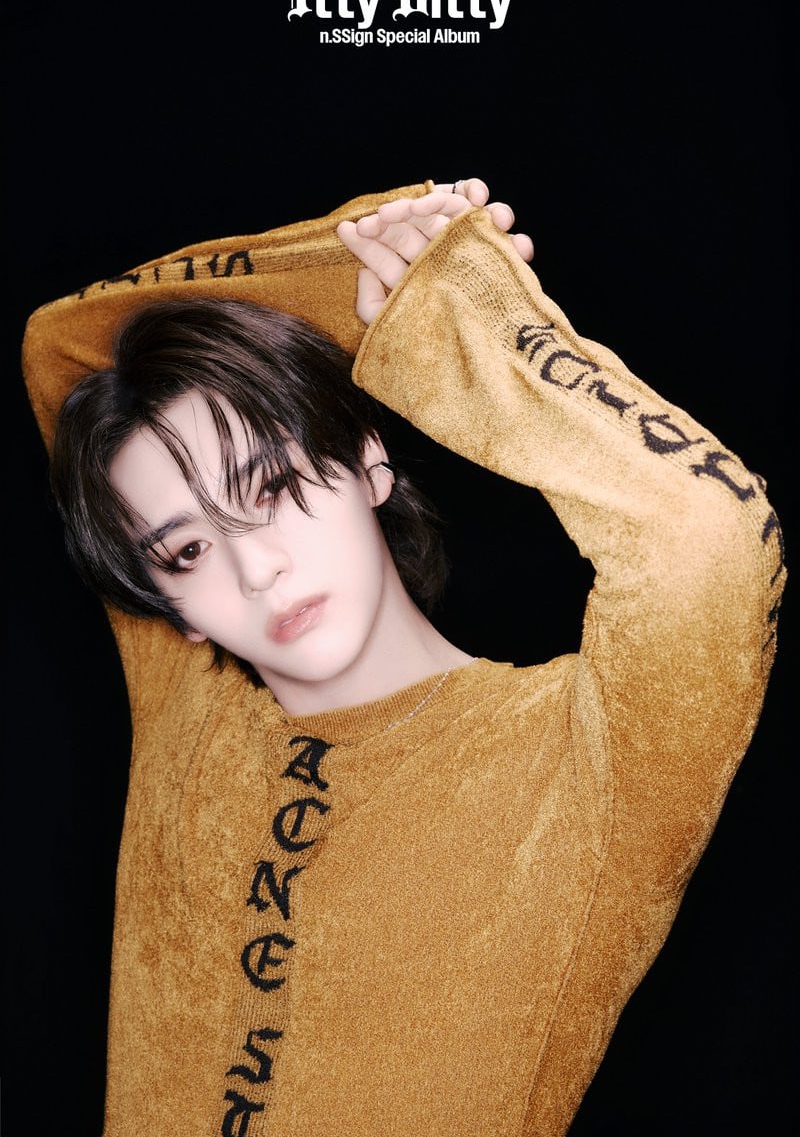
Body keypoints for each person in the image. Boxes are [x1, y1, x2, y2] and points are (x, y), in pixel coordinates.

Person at [22, 177, 784, 1136]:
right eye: (187, 551)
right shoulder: (188, 711)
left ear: (366, 459)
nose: (255, 568)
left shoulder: (592, 760)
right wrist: (373, 253)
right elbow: (58, 348)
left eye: (269, 486)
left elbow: (710, 539)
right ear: (168, 608)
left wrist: (462, 326)